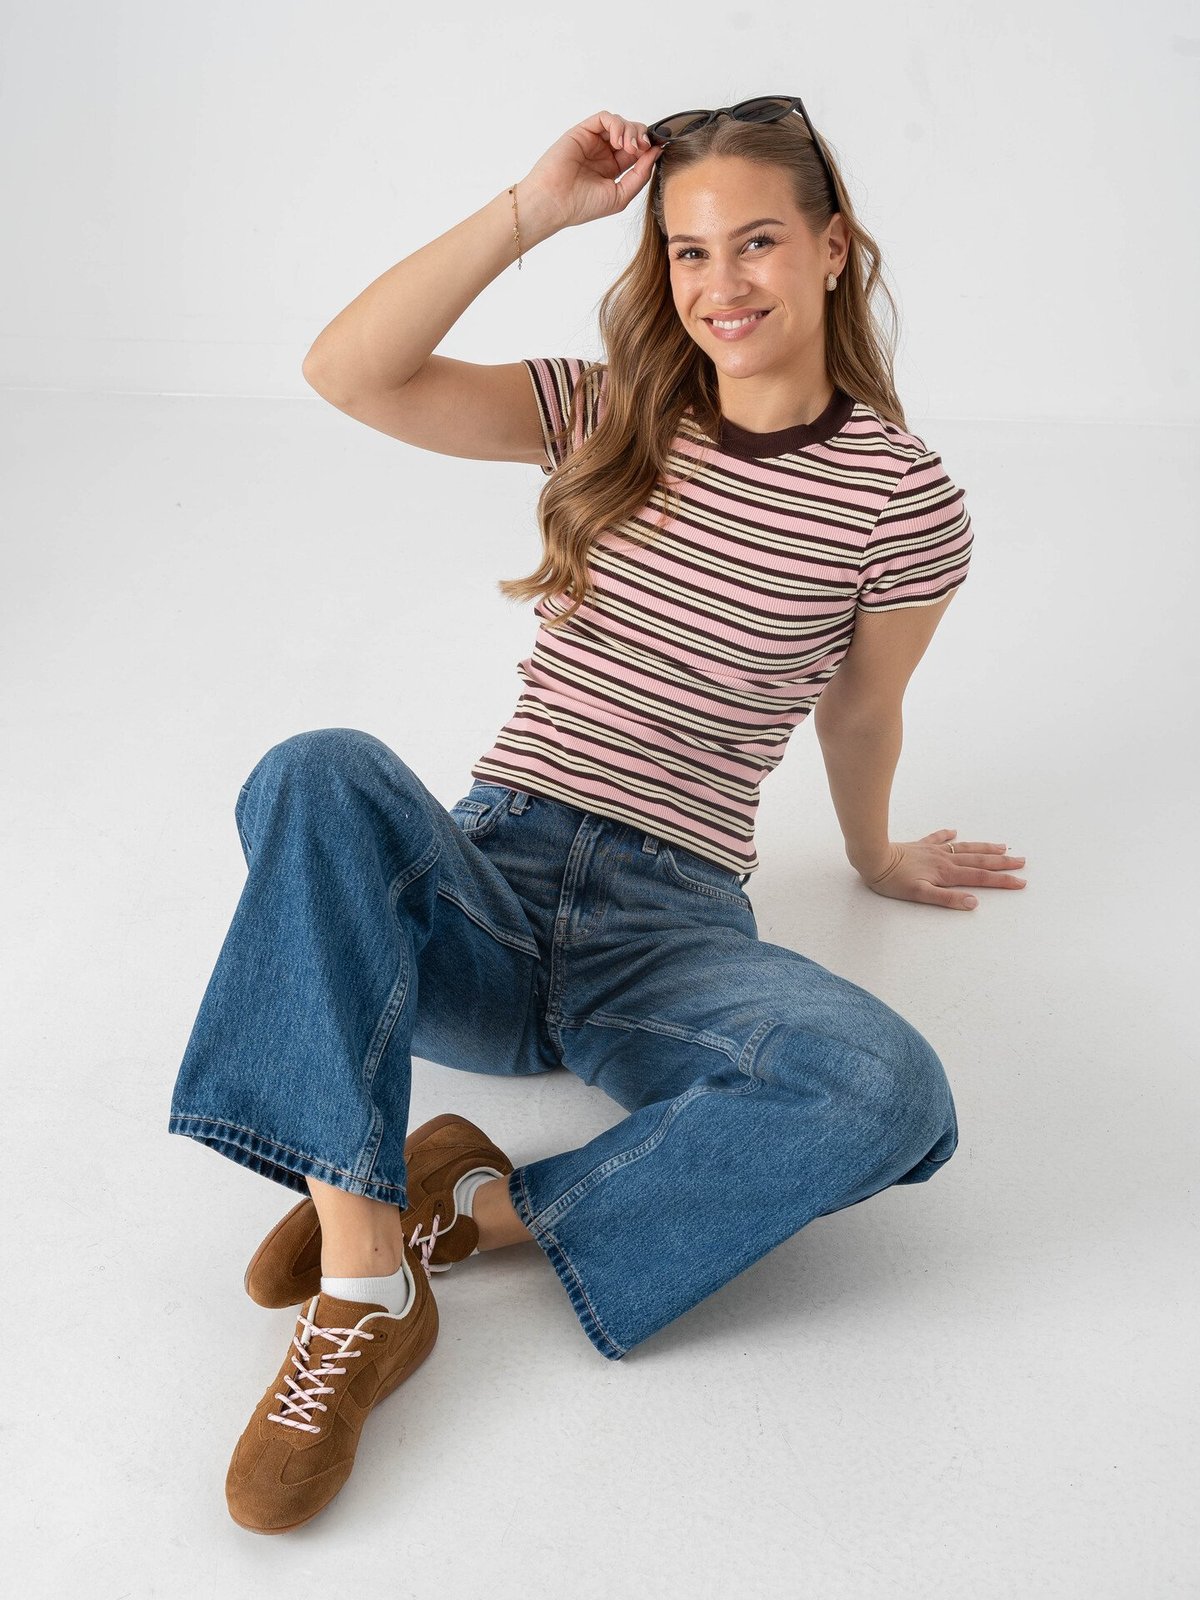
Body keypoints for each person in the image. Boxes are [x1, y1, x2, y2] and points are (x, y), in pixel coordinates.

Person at [170, 98, 1027, 1534]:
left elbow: (860, 707)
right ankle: (363, 1278)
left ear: (833, 248)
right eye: (689, 251)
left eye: (757, 241)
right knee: (312, 767)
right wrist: (528, 208)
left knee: (889, 1090)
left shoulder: (901, 498)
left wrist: (875, 852)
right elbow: (351, 373)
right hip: (484, 888)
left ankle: (457, 1211)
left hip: (667, 932)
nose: (722, 283)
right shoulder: (611, 407)